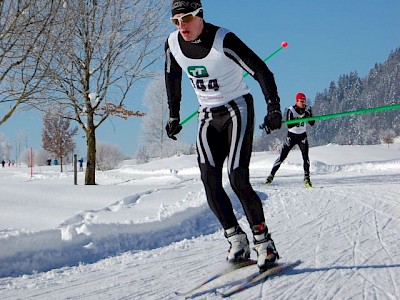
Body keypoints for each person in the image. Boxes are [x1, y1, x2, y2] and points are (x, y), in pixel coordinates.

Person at [165, 0, 282, 272]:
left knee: (238, 178)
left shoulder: (223, 39)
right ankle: (236, 239)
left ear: (200, 16)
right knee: (209, 180)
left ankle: (265, 244)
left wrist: (273, 107)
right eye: (176, 21)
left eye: (187, 19)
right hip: (207, 114)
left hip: (236, 109)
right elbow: (171, 77)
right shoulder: (172, 44)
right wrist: (173, 114)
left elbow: (261, 70)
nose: (182, 26)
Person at [265, 92, 315, 187]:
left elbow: (312, 123)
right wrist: (301, 118)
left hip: (302, 136)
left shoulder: (307, 109)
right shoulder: (291, 110)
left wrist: (310, 115)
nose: (304, 103)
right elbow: (289, 124)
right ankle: (271, 175)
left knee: (305, 157)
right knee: (282, 157)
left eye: (304, 101)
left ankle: (307, 178)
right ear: (297, 101)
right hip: (292, 136)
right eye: (301, 101)